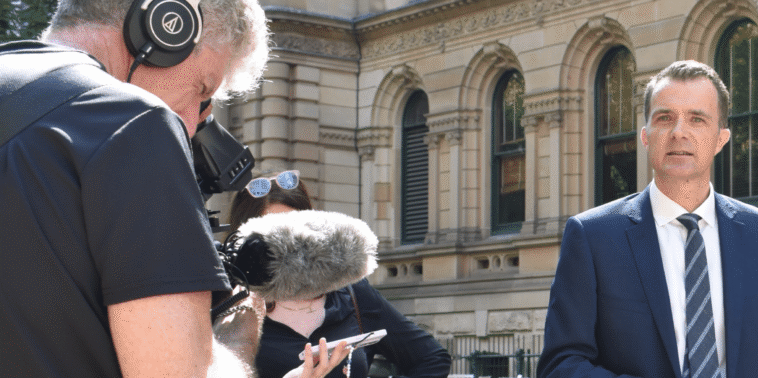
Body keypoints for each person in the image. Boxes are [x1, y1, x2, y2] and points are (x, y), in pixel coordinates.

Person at [0, 0, 347, 376]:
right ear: (167, 27)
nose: (192, 124)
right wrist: (237, 337)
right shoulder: (134, 122)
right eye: (202, 89)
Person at [536, 60, 758, 378]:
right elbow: (561, 365)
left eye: (697, 119)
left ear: (721, 138)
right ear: (646, 136)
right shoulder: (592, 236)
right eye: (665, 118)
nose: (679, 132)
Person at [228, 170, 453, 378]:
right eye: (272, 233)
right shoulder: (230, 307)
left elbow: (432, 358)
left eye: (292, 229)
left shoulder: (352, 294)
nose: (286, 246)